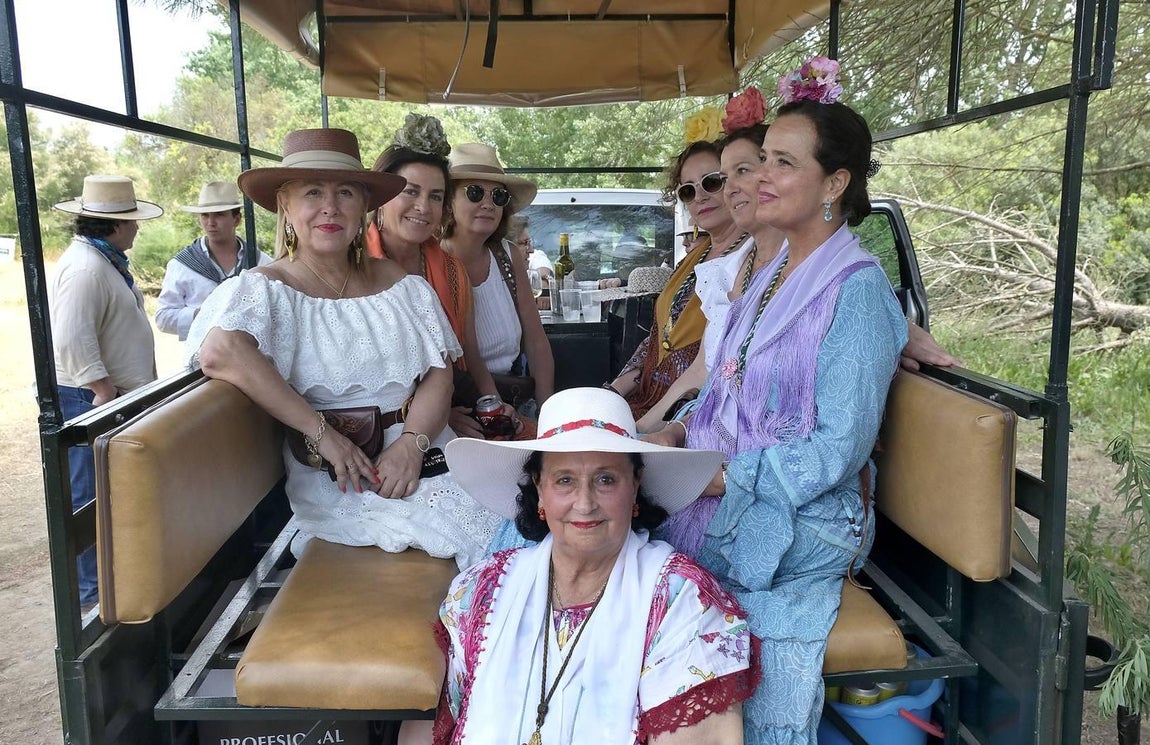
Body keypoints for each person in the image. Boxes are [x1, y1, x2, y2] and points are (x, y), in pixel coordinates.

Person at [646, 60, 908, 744]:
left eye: (782, 163)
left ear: (836, 183)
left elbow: (836, 449)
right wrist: (678, 432)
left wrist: (721, 475)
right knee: (590, 527)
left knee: (637, 572)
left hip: (809, 514)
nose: (758, 177)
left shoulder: (856, 290)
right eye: (762, 158)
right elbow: (723, 393)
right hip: (729, 484)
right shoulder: (769, 273)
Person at [185, 128, 500, 569]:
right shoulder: (267, 289)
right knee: (486, 547)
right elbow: (220, 352)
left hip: (425, 450)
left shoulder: (402, 285)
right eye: (313, 192)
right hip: (340, 476)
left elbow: (439, 374)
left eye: (346, 193)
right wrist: (324, 436)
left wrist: (412, 443)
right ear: (286, 205)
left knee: (517, 525)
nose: (330, 207)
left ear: (363, 208)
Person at [433, 388, 759, 744]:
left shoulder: (682, 602)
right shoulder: (481, 589)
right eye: (565, 480)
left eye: (606, 479)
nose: (585, 504)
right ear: (539, 490)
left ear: (635, 487)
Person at [364, 114, 521, 441]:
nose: (423, 206)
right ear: (381, 199)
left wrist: (493, 405)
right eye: (411, 192)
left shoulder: (452, 270)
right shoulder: (354, 266)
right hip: (386, 424)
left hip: (454, 402)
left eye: (435, 196)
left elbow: (471, 357)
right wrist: (441, 414)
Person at [49, 175, 163, 611]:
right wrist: (101, 388)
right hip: (92, 398)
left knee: (106, 494)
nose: (136, 228)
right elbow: (72, 338)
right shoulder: (86, 268)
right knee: (89, 498)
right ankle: (91, 597)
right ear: (116, 225)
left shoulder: (100, 261)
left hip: (106, 395)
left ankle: (103, 590)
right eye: (132, 221)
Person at [605, 123, 749, 420]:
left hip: (691, 412)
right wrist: (614, 392)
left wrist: (646, 428)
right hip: (649, 400)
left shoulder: (751, 259)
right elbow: (660, 338)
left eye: (711, 182)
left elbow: (713, 367)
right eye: (687, 190)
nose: (699, 197)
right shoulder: (697, 254)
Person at [441, 143, 555, 410]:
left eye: (498, 197)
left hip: (514, 394)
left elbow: (536, 340)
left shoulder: (507, 255)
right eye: (475, 192)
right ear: (448, 201)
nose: (488, 204)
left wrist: (548, 411)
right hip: (457, 406)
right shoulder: (431, 261)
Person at [156, 180, 271, 340]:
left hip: (253, 354)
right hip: (200, 359)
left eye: (219, 215)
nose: (211, 223)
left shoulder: (262, 263)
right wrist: (201, 315)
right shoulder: (182, 265)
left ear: (236, 219)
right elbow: (163, 318)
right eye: (205, 215)